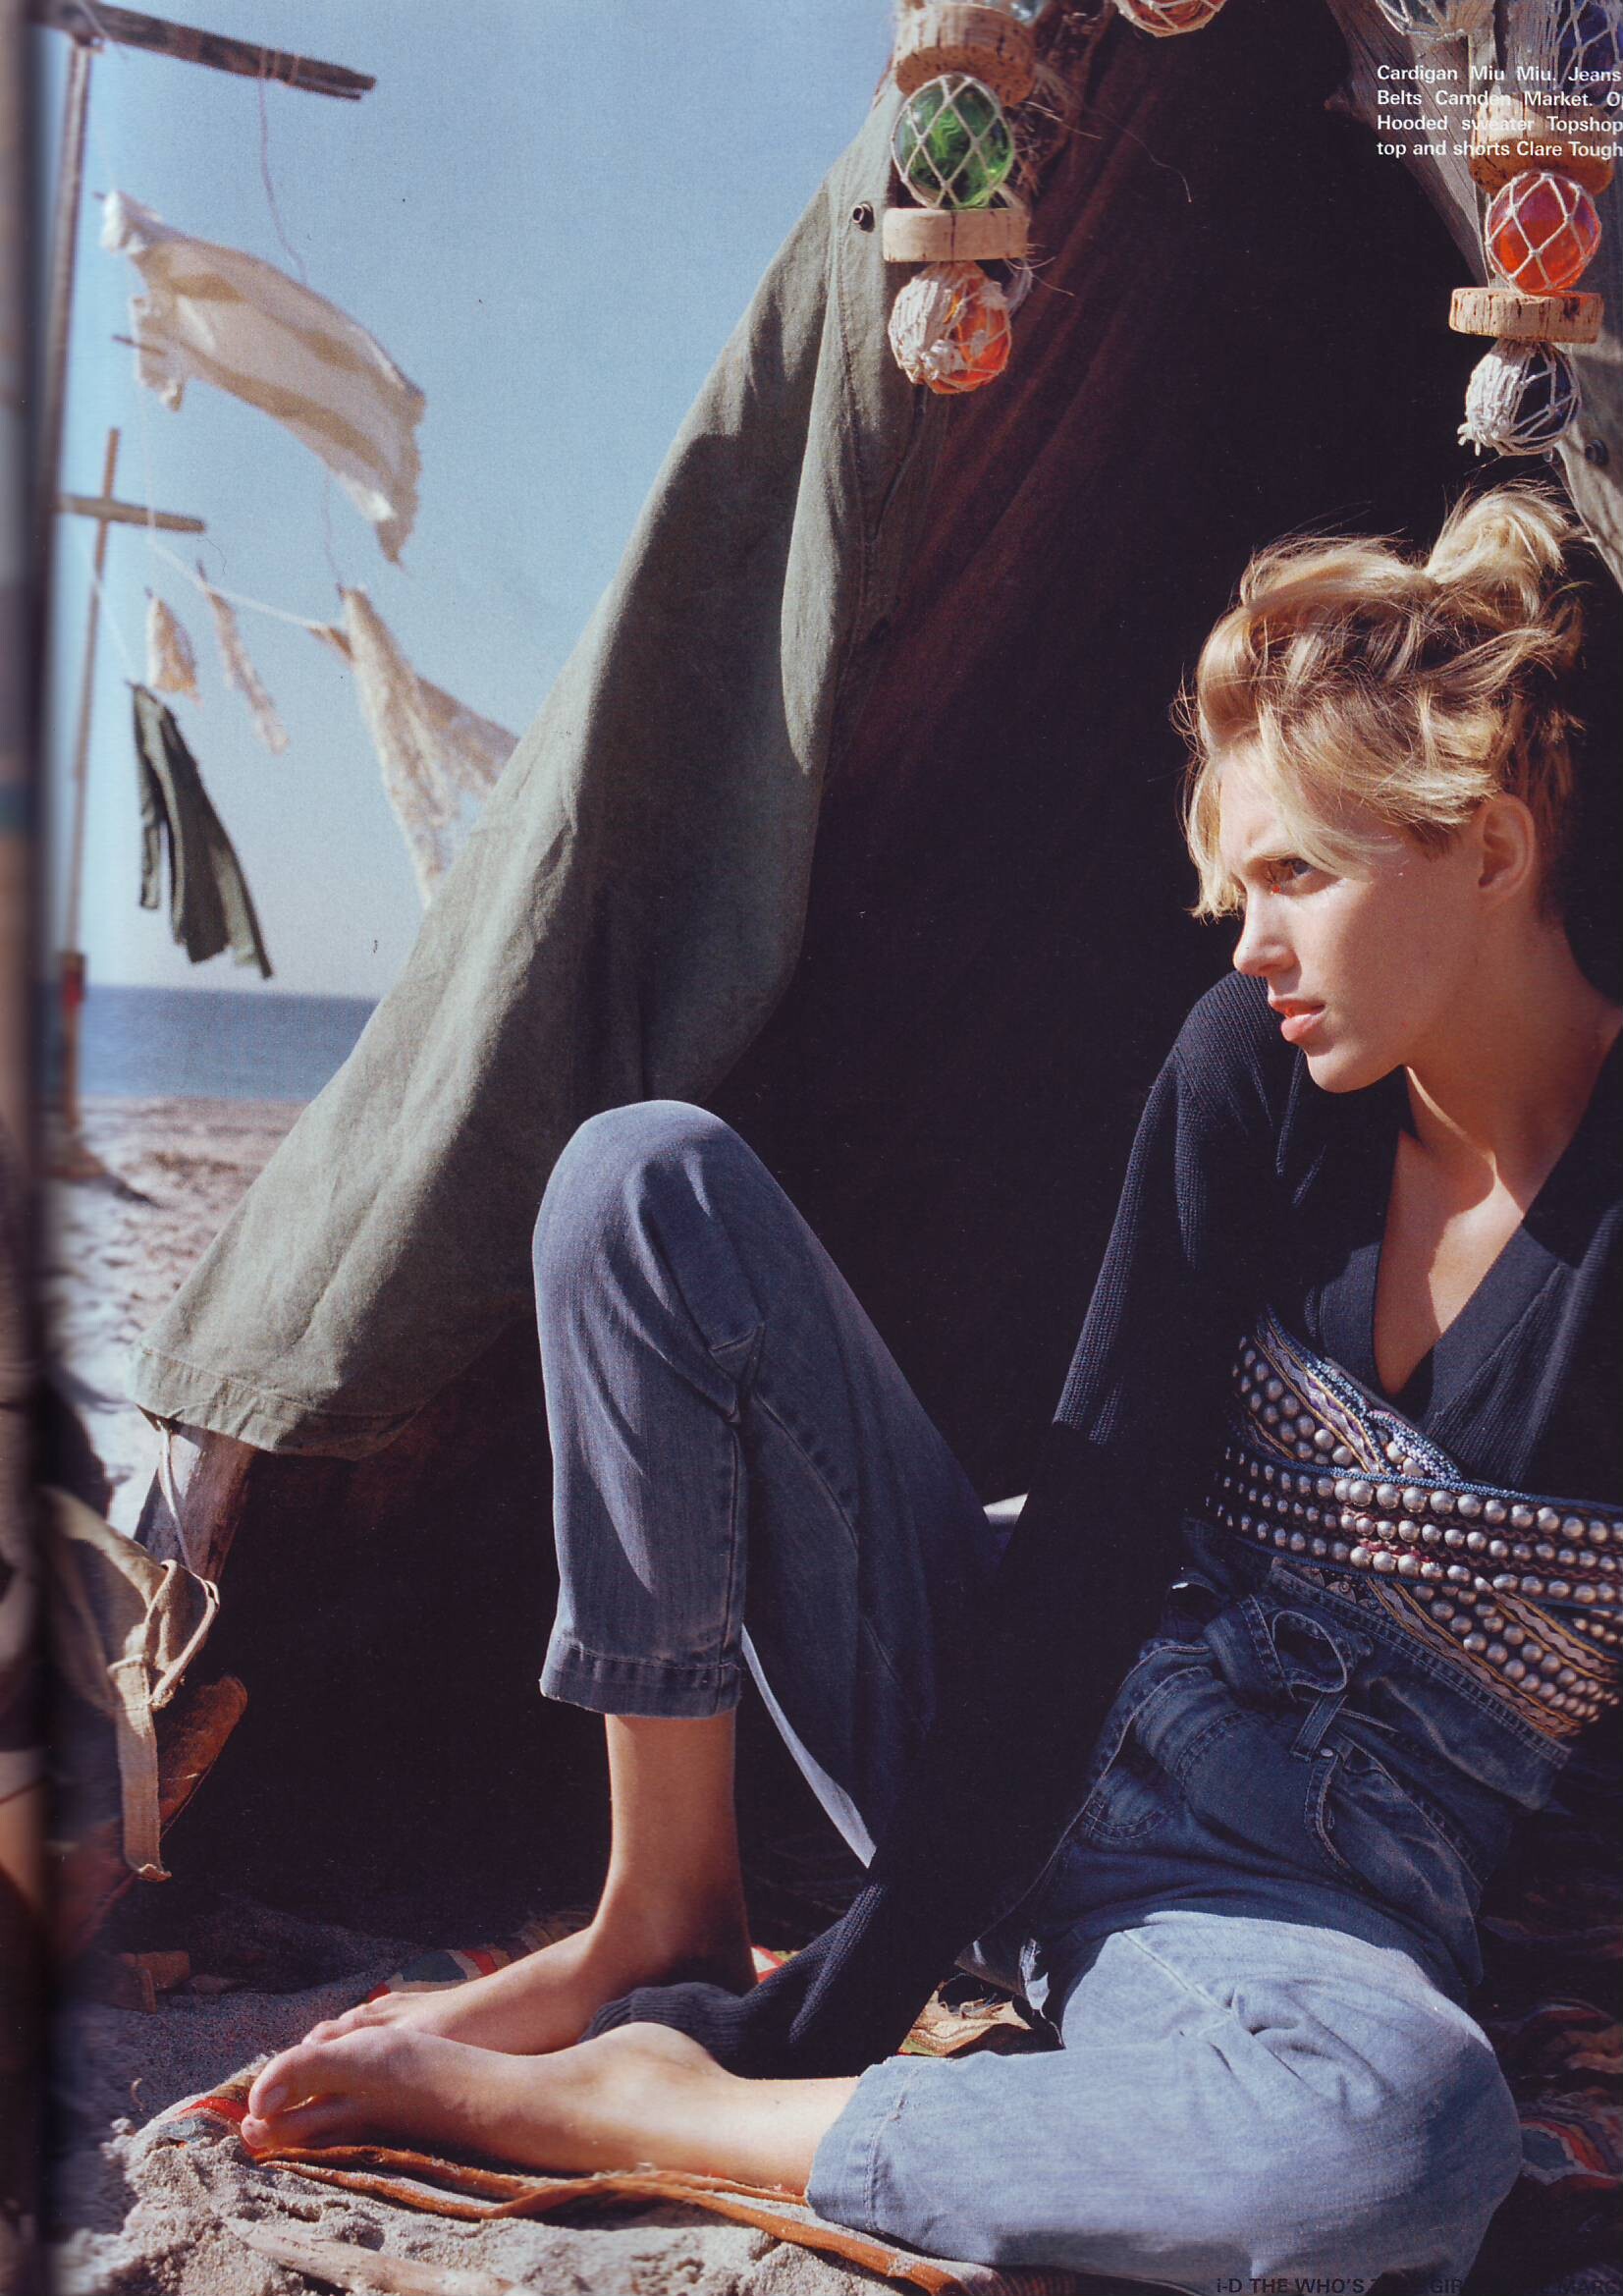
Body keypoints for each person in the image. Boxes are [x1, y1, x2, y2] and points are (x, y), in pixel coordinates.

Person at [241, 485, 1621, 2292]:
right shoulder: (1251, 1072)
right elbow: (1090, 1550)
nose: (1246, 947)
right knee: (642, 1182)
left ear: (1492, 848)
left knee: (1406, 2143)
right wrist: (836, 1994)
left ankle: (652, 2102)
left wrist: (759, 2070)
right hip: (996, 1700)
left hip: (1274, 1901)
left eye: (1298, 876)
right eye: (1235, 890)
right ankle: (664, 1912)